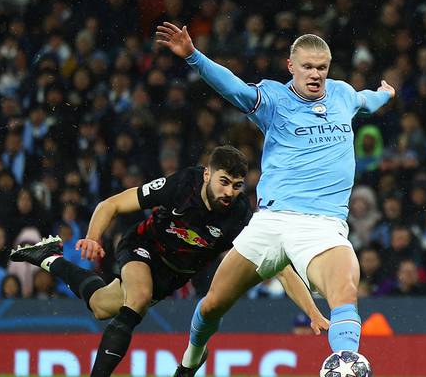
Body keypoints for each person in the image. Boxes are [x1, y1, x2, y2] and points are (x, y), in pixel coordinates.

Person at [155, 22, 395, 376]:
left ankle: (345, 365)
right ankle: (192, 358)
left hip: (322, 225)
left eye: (322, 68)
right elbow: (233, 88)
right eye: (308, 67)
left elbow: (365, 102)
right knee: (212, 306)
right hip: (270, 222)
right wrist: (193, 56)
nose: (316, 75)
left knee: (345, 289)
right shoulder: (274, 100)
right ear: (291, 67)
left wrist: (385, 94)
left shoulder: (342, 95)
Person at [10, 145, 326, 377]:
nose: (229, 191)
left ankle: (49, 257)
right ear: (207, 175)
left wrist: (312, 310)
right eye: (224, 181)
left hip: (174, 275)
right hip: (142, 247)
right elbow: (111, 205)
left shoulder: (241, 217)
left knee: (101, 306)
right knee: (138, 297)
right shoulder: (182, 185)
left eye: (237, 185)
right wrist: (93, 237)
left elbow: (281, 267)